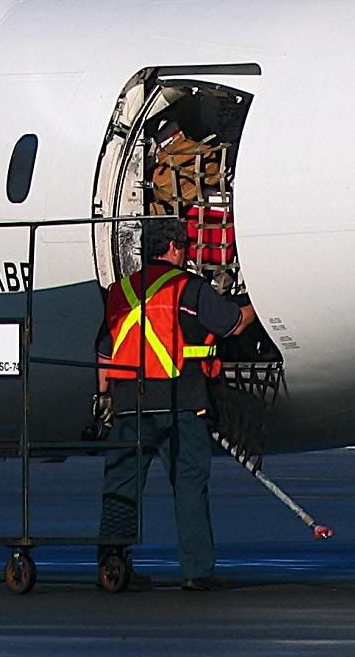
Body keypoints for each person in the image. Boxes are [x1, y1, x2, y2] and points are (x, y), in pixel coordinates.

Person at [97, 214, 257, 591]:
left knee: (120, 486)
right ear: (173, 248)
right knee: (188, 486)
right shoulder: (189, 288)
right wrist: (258, 306)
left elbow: (104, 355)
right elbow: (232, 324)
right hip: (179, 403)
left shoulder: (121, 291)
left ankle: (111, 566)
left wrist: (102, 398)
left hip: (128, 405)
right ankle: (197, 571)